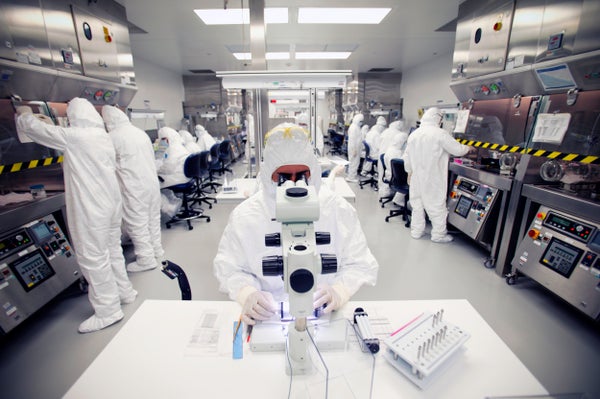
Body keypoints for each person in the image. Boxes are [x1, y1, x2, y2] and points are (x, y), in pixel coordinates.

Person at [213, 123, 379, 326]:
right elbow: (230, 268)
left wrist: (339, 291)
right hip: (268, 314)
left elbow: (359, 263)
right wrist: (247, 293)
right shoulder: (246, 215)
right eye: (282, 177)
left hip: (322, 310)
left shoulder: (337, 210)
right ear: (268, 175)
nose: (292, 185)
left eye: (301, 176)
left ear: (314, 173)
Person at [16, 98, 137, 333]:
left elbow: (38, 130)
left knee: (94, 257)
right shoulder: (103, 137)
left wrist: (22, 114)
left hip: (93, 208)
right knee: (112, 249)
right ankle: (124, 291)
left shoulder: (76, 137)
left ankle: (107, 310)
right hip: (111, 204)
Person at [102, 105, 165, 273]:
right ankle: (157, 249)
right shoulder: (140, 133)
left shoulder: (111, 137)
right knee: (153, 218)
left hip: (134, 186)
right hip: (151, 183)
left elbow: (105, 163)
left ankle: (146, 259)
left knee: (138, 223)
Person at [403, 107, 473, 243]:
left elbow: (407, 156)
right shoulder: (440, 134)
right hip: (432, 176)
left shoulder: (414, 134)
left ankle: (416, 231)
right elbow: (457, 150)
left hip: (417, 176)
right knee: (435, 205)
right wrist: (468, 148)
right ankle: (438, 235)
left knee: (417, 204)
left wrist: (409, 171)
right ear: (437, 118)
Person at [378, 121, 409, 202]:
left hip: (389, 174)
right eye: (405, 142)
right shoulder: (397, 153)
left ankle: (397, 198)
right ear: (402, 142)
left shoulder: (391, 149)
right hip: (394, 176)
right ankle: (399, 200)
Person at [345, 114, 364, 182]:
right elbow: (353, 140)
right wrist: (354, 150)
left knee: (354, 162)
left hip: (355, 148)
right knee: (354, 162)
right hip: (354, 149)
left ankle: (351, 175)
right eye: (360, 121)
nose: (361, 122)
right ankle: (351, 177)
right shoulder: (354, 127)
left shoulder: (356, 126)